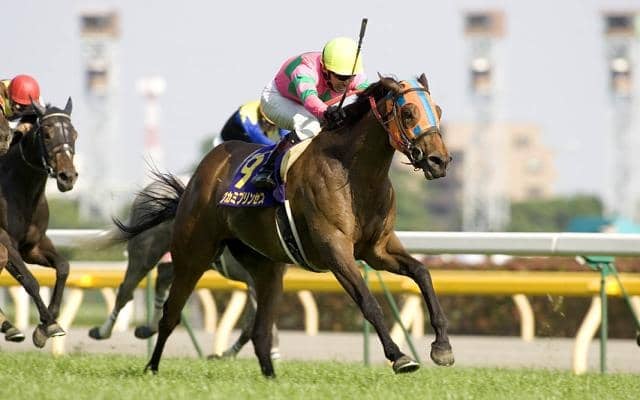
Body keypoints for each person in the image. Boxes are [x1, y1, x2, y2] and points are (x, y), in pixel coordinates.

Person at [251, 36, 369, 189]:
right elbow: (309, 99)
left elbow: (371, 94)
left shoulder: (353, 75)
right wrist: (327, 112)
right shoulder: (305, 70)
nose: (346, 82)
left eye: (350, 77)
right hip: (277, 99)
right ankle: (267, 169)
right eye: (342, 77)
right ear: (325, 69)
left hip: (309, 106)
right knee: (311, 126)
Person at [220, 100, 287, 146]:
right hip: (230, 133)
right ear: (262, 118)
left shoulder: (278, 115)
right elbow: (258, 138)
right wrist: (278, 146)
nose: (270, 127)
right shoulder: (249, 117)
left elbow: (286, 133)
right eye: (269, 123)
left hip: (254, 130)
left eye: (273, 124)